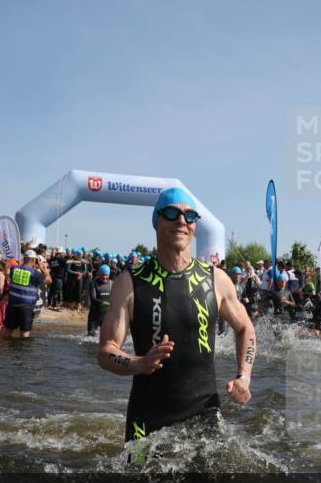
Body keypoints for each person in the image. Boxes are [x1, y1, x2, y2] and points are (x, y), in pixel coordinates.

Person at [97, 187, 256, 444]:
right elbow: (106, 351)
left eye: (190, 216)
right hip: (146, 418)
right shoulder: (130, 283)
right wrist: (137, 363)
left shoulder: (216, 279)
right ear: (156, 220)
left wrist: (244, 376)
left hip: (205, 415)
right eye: (171, 213)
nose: (181, 221)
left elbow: (246, 328)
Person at [6, 250, 51, 339]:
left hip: (12, 304)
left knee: (8, 331)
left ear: (24, 258)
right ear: (34, 260)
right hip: (26, 306)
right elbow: (49, 280)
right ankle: (22, 352)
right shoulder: (35, 273)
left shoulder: (14, 269)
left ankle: (8, 351)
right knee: (24, 334)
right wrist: (44, 270)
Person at [87, 264, 112, 336]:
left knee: (107, 337)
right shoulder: (94, 283)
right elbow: (93, 299)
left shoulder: (112, 284)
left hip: (106, 316)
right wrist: (106, 303)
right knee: (90, 337)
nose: (104, 277)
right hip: (94, 315)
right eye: (103, 275)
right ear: (99, 274)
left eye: (106, 275)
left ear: (109, 274)